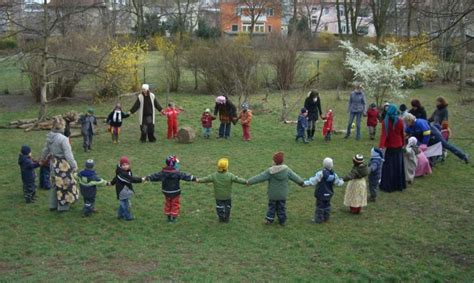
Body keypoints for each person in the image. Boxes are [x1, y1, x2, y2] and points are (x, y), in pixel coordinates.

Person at [247, 152, 304, 226]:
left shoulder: (270, 171)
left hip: (273, 194)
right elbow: (296, 177)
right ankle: (282, 220)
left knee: (272, 207)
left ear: (274, 161)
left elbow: (260, 177)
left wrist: (250, 181)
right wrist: (302, 183)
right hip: (282, 194)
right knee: (281, 207)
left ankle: (269, 220)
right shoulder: (287, 170)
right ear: (282, 161)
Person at [40, 117, 78, 212]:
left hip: (53, 163)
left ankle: (53, 205)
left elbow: (45, 150)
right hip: (63, 165)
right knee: (65, 184)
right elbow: (68, 154)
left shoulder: (50, 137)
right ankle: (63, 207)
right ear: (61, 127)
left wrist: (42, 158)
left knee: (55, 184)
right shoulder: (63, 139)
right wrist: (74, 165)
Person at [145, 155, 197, 223]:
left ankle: (168, 216)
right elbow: (185, 176)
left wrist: (147, 178)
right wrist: (194, 178)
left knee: (168, 203)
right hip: (175, 192)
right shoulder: (177, 173)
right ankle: (174, 217)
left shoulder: (163, 172)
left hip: (166, 191)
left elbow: (155, 176)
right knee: (175, 204)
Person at [404, 114, 469, 164]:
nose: (406, 124)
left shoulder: (420, 122)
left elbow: (427, 133)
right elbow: (406, 133)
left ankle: (463, 156)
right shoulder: (409, 126)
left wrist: (424, 144)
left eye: (406, 122)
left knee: (446, 145)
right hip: (424, 137)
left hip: (434, 135)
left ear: (410, 120)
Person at [197, 158, 247, 223]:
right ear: (227, 167)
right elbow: (238, 179)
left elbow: (206, 179)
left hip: (218, 196)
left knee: (219, 207)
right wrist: (246, 182)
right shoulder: (230, 175)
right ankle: (226, 218)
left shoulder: (214, 175)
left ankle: (221, 218)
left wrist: (198, 180)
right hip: (227, 196)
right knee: (227, 207)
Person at [303, 157, 344, 224]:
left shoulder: (320, 174)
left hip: (320, 193)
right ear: (332, 165)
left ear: (323, 164)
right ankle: (326, 218)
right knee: (327, 206)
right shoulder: (334, 175)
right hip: (329, 193)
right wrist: (342, 181)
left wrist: (305, 183)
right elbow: (338, 183)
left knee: (320, 207)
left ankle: (318, 220)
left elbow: (313, 181)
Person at [379, 104, 406, 192]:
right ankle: (398, 185)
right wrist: (403, 144)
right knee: (398, 166)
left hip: (390, 146)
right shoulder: (400, 121)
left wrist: (381, 146)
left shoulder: (385, 122)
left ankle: (388, 185)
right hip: (398, 145)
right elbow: (402, 134)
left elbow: (384, 135)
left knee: (389, 167)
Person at [110, 156, 143, 221]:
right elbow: (131, 179)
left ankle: (120, 215)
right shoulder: (121, 173)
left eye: (127, 165)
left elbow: (115, 178)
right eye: (123, 165)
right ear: (121, 165)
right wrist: (141, 179)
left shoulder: (126, 171)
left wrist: (111, 183)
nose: (125, 166)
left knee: (123, 203)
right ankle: (128, 217)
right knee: (126, 205)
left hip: (126, 190)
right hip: (122, 191)